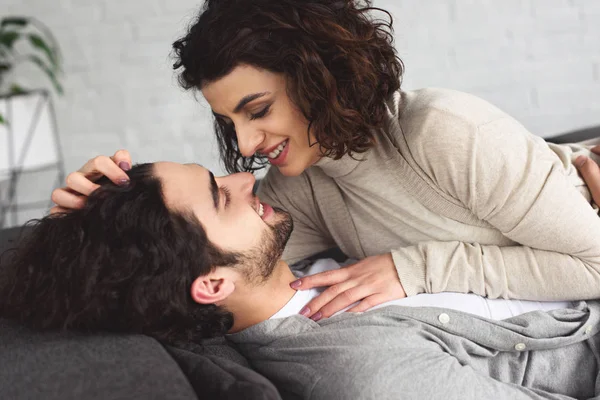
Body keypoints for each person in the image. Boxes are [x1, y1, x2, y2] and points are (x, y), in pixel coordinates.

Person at [51, 0, 600, 322]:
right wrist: (87, 228)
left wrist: (417, 269)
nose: (243, 147)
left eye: (258, 109)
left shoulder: (444, 133)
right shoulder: (299, 189)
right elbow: (194, 272)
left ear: (322, 74)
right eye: (229, 123)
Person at [5, 160, 600, 399]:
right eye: (220, 197)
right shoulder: (371, 375)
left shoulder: (285, 260)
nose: (243, 177)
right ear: (210, 285)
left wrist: (71, 223)